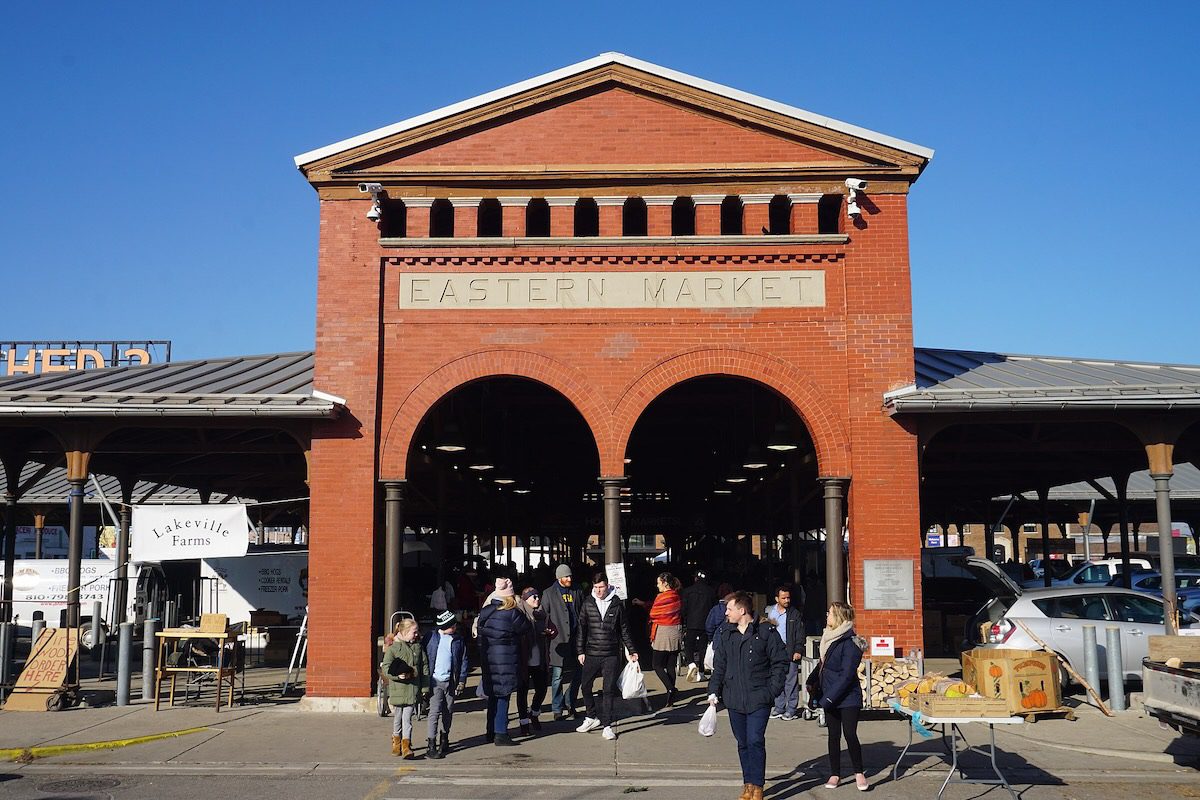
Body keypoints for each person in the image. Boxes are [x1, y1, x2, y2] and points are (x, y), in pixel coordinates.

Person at [707, 591, 788, 800]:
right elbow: (720, 666)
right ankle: (748, 783)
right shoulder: (726, 633)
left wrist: (773, 690)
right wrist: (713, 690)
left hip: (759, 697)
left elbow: (780, 662)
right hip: (734, 697)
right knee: (742, 742)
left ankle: (758, 785)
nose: (726, 613)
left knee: (755, 740)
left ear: (742, 610)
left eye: (729, 609)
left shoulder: (766, 632)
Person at [575, 573, 638, 740]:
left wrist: (631, 650)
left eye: (601, 587)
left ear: (608, 585)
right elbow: (582, 629)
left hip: (610, 654)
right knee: (585, 686)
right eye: (595, 588)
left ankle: (607, 725)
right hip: (591, 653)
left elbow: (624, 629)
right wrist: (580, 651)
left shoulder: (617, 605)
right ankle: (591, 716)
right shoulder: (588, 603)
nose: (598, 591)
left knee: (608, 690)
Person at [815, 601, 867, 791]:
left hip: (847, 696)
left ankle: (859, 773)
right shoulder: (828, 637)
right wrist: (812, 680)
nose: (826, 615)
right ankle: (834, 773)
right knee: (833, 735)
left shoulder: (850, 643)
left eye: (829, 613)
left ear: (838, 617)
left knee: (850, 734)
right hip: (829, 693)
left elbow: (846, 674)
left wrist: (828, 698)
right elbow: (824, 663)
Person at [477, 579, 532, 746]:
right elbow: (526, 627)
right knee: (503, 697)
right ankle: (501, 733)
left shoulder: (485, 611)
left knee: (493, 696)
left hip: (489, 659)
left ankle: (490, 731)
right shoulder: (512, 613)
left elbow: (479, 637)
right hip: (506, 659)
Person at [424, 609, 469, 759]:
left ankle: (445, 738)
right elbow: (424, 658)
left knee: (448, 710)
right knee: (434, 712)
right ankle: (431, 743)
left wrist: (461, 680)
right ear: (444, 626)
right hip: (435, 681)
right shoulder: (431, 637)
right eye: (452, 626)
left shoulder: (457, 640)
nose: (455, 628)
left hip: (450, 681)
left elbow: (463, 660)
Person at [382, 617, 428, 759]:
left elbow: (424, 666)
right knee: (398, 717)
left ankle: (406, 745)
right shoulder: (394, 648)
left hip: (412, 689)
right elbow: (386, 668)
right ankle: (396, 741)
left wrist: (425, 687)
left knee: (407, 718)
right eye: (414, 632)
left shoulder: (418, 647)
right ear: (405, 631)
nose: (417, 634)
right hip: (398, 689)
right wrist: (397, 677)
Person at [542, 563, 583, 720]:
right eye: (566, 576)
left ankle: (570, 701)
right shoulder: (549, 593)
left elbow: (582, 610)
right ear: (559, 577)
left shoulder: (577, 590)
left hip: (576, 638)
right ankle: (557, 708)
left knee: (580, 672)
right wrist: (546, 630)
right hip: (558, 640)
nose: (569, 578)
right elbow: (544, 614)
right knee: (557, 676)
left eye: (570, 576)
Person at [641, 572, 682, 708]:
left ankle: (670, 688)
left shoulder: (662, 597)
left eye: (658, 582)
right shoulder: (676, 595)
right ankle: (670, 696)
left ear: (664, 583)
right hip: (675, 631)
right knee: (671, 665)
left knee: (657, 665)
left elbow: (654, 613)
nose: (657, 585)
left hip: (663, 631)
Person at [516, 586, 552, 735]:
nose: (537, 599)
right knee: (522, 691)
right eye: (533, 597)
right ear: (525, 600)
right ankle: (523, 722)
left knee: (542, 688)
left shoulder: (542, 613)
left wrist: (549, 633)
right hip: (524, 659)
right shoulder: (519, 614)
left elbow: (550, 627)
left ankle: (535, 712)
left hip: (540, 657)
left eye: (538, 596)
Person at [766, 584, 804, 721]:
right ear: (777, 599)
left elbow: (799, 633)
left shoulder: (794, 614)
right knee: (777, 679)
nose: (787, 600)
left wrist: (798, 650)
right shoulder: (771, 612)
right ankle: (779, 707)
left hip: (790, 650)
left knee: (791, 681)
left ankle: (791, 709)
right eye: (784, 598)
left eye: (788, 597)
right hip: (775, 652)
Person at [680, 569, 716, 682]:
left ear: (695, 578)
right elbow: (713, 609)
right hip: (706, 624)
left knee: (688, 645)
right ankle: (702, 673)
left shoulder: (687, 591)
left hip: (691, 622)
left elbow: (684, 609)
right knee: (703, 648)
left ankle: (691, 663)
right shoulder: (711, 592)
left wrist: (684, 619)